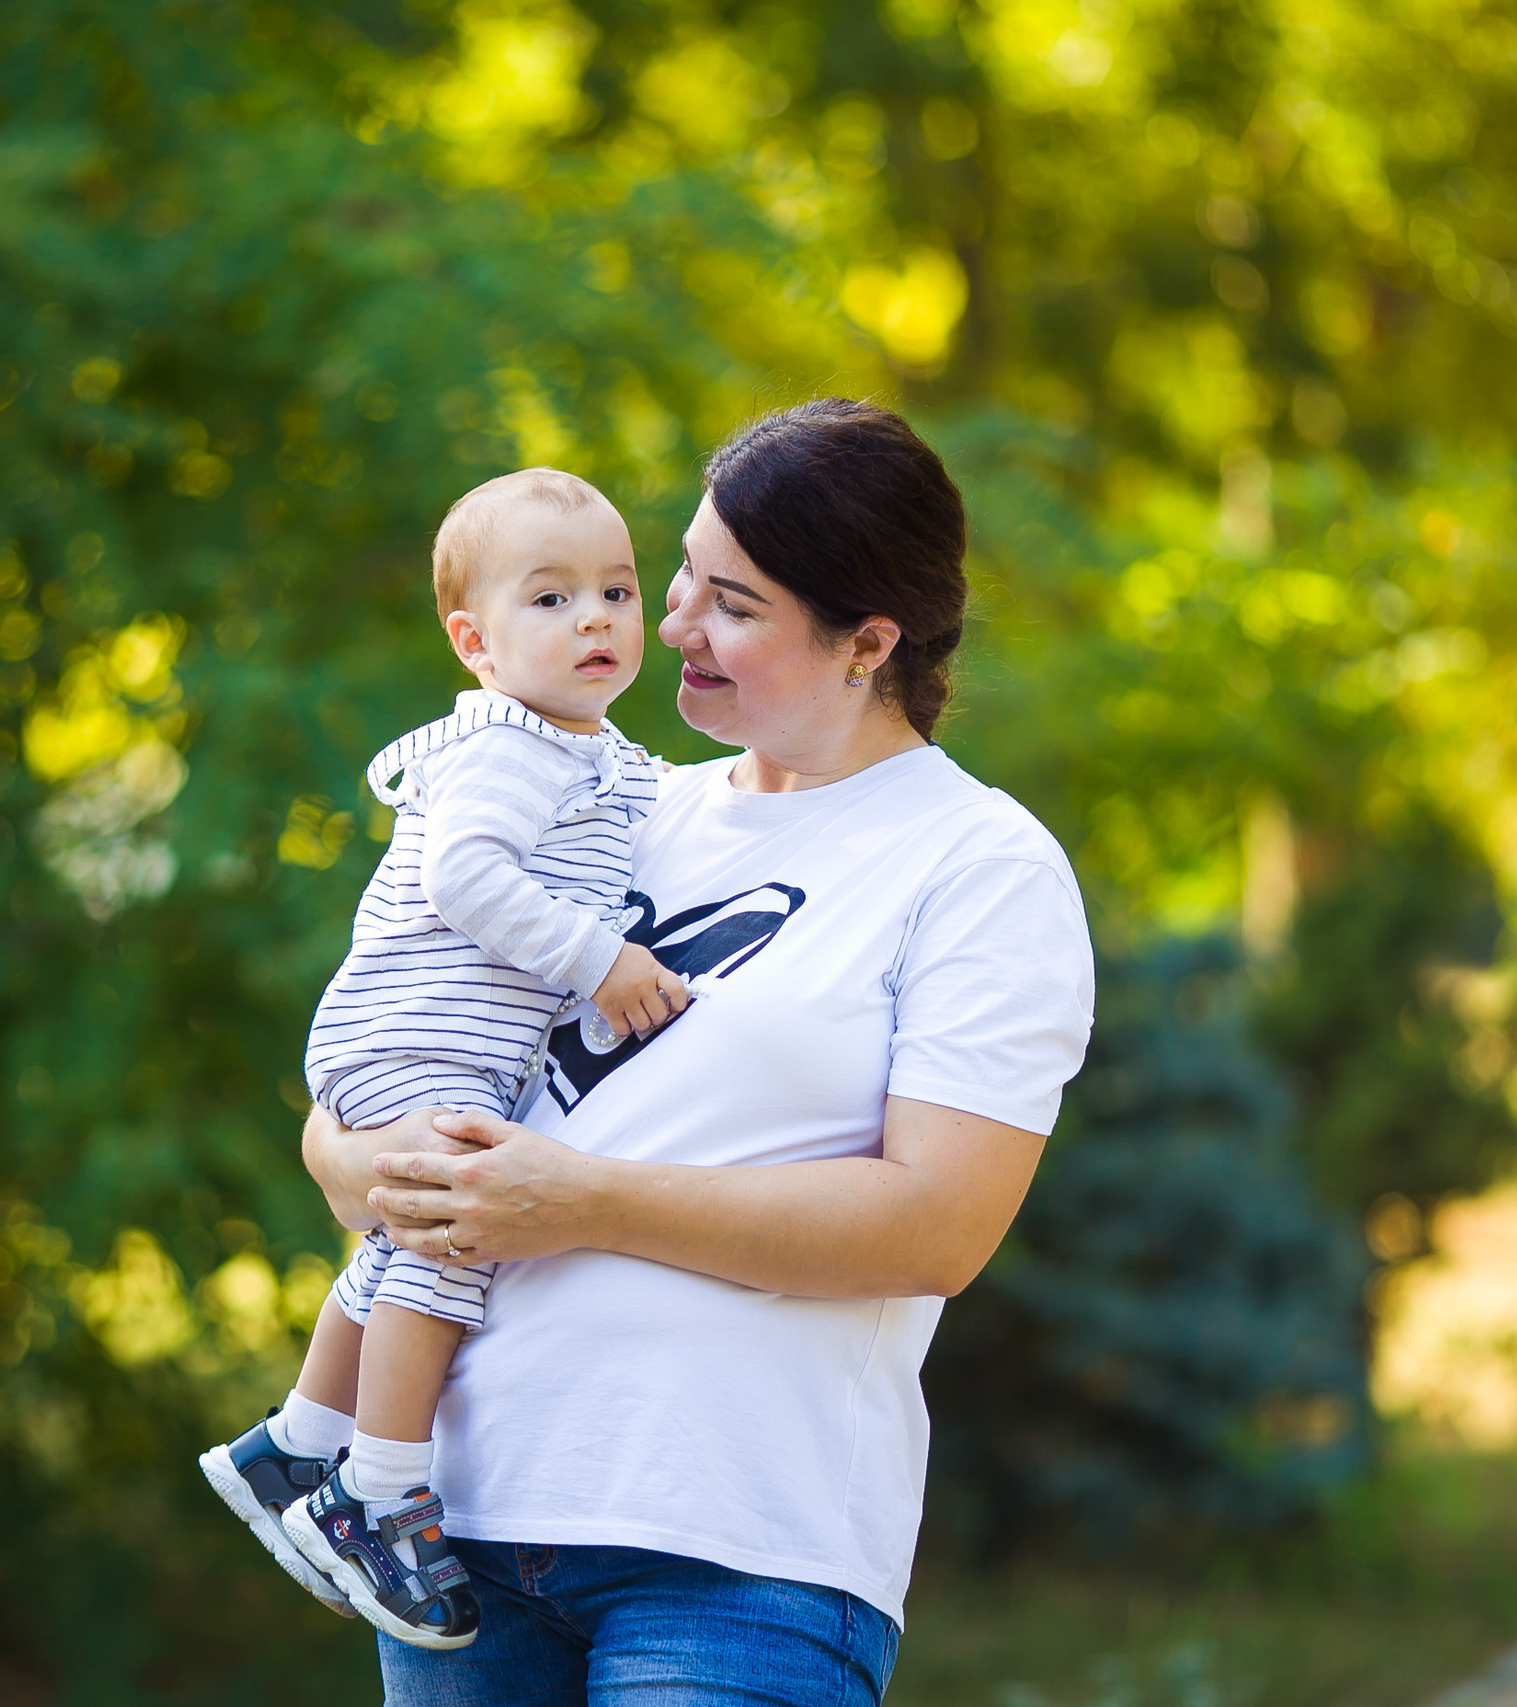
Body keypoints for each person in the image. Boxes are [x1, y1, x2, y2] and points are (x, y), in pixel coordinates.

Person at [300, 398, 1098, 1704]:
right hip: (458, 1529)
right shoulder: (606, 803)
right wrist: (352, 1145)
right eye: (674, 574)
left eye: (728, 601)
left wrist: (582, 1198)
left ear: (868, 641)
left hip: (736, 1551)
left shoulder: (977, 864)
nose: (664, 622)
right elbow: (388, 1055)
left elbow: (936, 1223)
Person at [199, 467, 692, 1650]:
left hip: (442, 1044)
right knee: (455, 1236)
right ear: (472, 641)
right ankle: (377, 1493)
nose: (594, 619)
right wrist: (599, 958)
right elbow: (461, 878)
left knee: (408, 1233)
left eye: (616, 591)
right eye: (551, 598)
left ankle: (296, 1447)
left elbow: (647, 806)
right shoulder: (506, 749)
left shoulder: (592, 750)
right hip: (410, 1032)